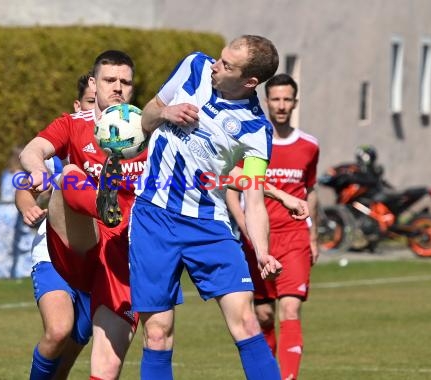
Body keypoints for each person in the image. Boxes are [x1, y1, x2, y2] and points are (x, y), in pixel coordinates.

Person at [128, 35, 290, 379]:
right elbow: (145, 118)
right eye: (220, 58)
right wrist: (166, 111)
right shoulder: (194, 67)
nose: (216, 66)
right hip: (153, 217)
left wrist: (262, 251)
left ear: (250, 82)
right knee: (157, 333)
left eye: (227, 65)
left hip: (209, 225)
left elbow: (255, 197)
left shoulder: (257, 131)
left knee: (247, 320)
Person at [19, 51, 147, 379]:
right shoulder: (72, 125)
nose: (117, 87)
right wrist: (34, 174)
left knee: (87, 355)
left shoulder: (147, 131)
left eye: (125, 82)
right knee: (69, 174)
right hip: (75, 239)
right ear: (93, 83)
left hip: (120, 254)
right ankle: (100, 206)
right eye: (109, 80)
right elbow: (32, 153)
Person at [226, 73, 320, 380]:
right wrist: (245, 230)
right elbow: (231, 187)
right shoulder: (250, 140)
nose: (281, 105)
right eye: (275, 99)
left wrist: (313, 235)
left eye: (287, 99)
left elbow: (311, 190)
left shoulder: (309, 145)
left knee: (290, 310)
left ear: (295, 102)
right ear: (266, 102)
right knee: (263, 315)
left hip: (295, 238)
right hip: (257, 240)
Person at [16, 73, 96, 380]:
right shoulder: (62, 147)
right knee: (58, 330)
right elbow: (26, 187)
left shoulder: (123, 146)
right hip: (55, 254)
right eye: (90, 102)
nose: (96, 110)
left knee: (71, 349)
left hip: (100, 258)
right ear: (78, 105)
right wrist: (29, 207)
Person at [0, 146, 36, 279]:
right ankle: (19, 272)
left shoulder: (6, 174)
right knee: (19, 246)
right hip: (13, 214)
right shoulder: (22, 176)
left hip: (1, 214)